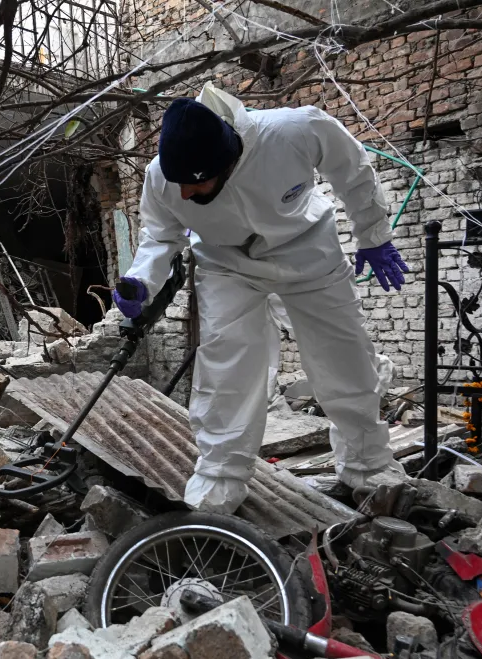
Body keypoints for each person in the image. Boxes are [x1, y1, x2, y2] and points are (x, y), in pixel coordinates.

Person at [113, 84, 409, 514]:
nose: (184, 196)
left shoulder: (294, 131)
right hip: (226, 264)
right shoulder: (161, 177)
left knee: (344, 359)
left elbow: (352, 168)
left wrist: (373, 234)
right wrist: (142, 280)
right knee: (227, 366)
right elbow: (161, 234)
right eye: (176, 184)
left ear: (227, 161)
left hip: (307, 249)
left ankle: (368, 465)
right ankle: (219, 476)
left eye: (195, 186)